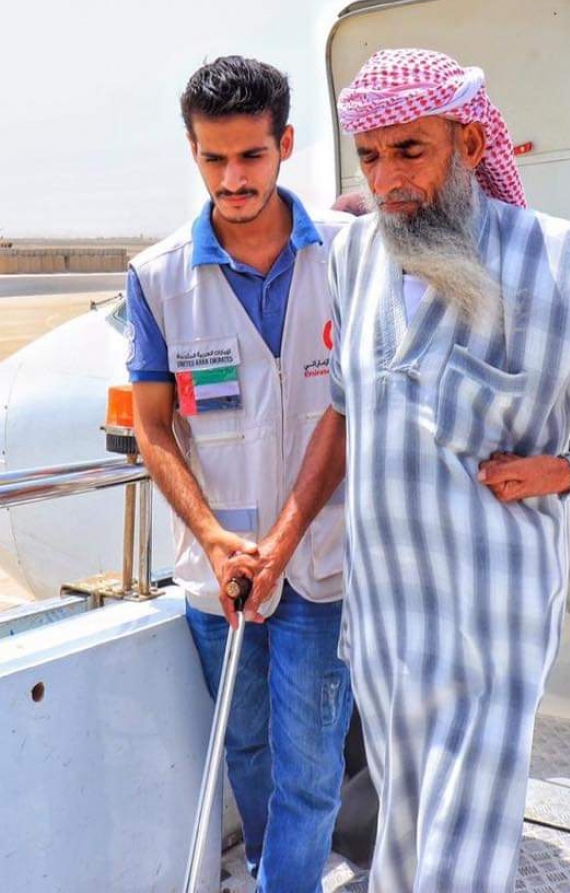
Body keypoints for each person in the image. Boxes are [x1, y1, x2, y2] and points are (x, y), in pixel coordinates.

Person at [230, 49, 570, 893]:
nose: (389, 179)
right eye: (371, 156)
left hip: (492, 619)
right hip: (385, 619)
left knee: (459, 863)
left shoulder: (559, 258)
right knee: (405, 841)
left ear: (471, 145)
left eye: (410, 150)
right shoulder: (356, 256)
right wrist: (282, 542)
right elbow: (343, 412)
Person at [125, 55, 353, 893]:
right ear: (192, 152)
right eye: (213, 158)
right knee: (247, 746)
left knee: (309, 764)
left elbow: (349, 414)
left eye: (251, 156)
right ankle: (270, 871)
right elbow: (154, 428)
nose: (233, 179)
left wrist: (283, 542)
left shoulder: (352, 257)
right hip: (217, 571)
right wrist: (216, 538)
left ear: (285, 144)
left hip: (320, 562)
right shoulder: (157, 278)